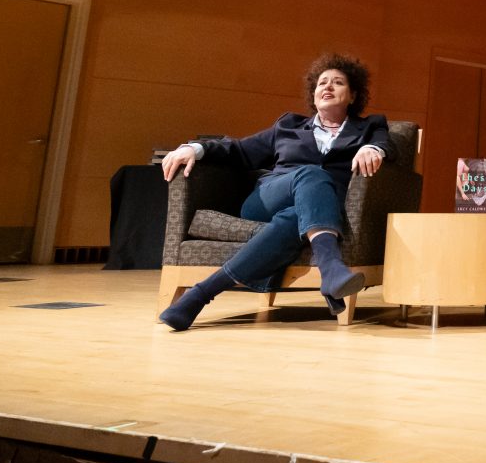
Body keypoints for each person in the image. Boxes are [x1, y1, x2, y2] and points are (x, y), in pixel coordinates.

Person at [158, 54, 389, 331]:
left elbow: (387, 144)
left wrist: (372, 148)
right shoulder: (288, 126)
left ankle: (199, 295)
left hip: (314, 210)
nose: (327, 87)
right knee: (312, 172)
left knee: (293, 219)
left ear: (352, 95)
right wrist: (194, 148)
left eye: (338, 83)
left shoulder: (370, 127)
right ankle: (330, 266)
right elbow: (240, 150)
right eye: (321, 83)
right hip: (268, 197)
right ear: (313, 95)